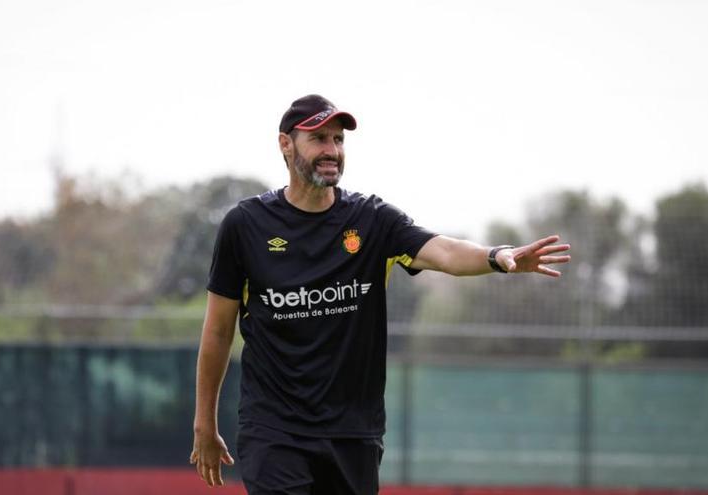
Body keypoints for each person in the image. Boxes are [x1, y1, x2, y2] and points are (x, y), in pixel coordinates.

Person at [190, 94, 571, 494]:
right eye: (318, 139)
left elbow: (443, 251)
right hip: (274, 428)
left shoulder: (372, 220)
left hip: (353, 430)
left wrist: (499, 255)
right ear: (286, 144)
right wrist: (204, 422)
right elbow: (218, 331)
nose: (331, 151)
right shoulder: (245, 225)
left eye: (338, 140)